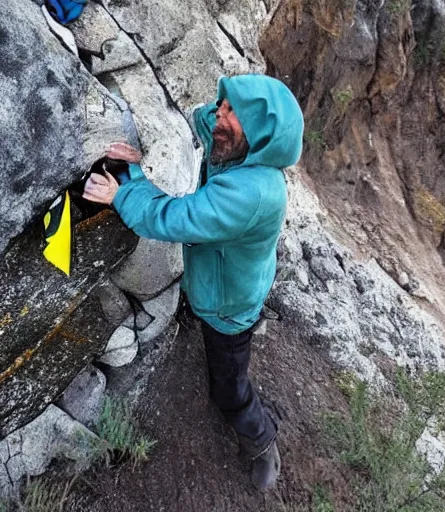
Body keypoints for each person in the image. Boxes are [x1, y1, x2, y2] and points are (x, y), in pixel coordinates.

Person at [83, 74, 304, 490]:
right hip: (221, 277)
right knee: (203, 305)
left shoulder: (253, 192)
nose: (219, 117)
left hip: (230, 307)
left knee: (229, 387)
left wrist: (127, 183)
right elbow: (202, 119)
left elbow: (177, 219)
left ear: (260, 132)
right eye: (223, 105)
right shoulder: (241, 144)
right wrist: (144, 142)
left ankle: (260, 438)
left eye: (231, 115)